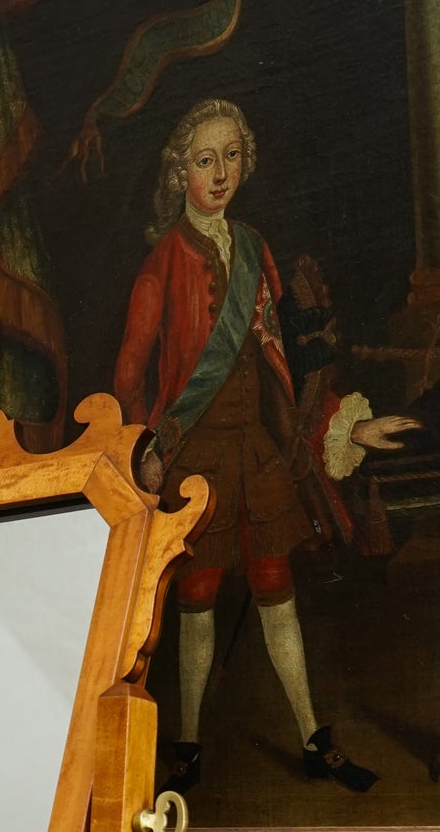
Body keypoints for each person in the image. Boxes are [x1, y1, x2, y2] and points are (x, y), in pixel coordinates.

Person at [114, 97, 420, 793]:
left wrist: (351, 426)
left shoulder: (254, 248)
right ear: (177, 172)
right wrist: (147, 452)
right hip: (193, 457)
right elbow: (129, 372)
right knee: (195, 598)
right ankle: (187, 744)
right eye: (203, 159)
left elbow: (289, 369)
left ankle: (313, 739)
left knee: (276, 589)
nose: (219, 172)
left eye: (230, 156)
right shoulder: (161, 262)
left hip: (258, 447)